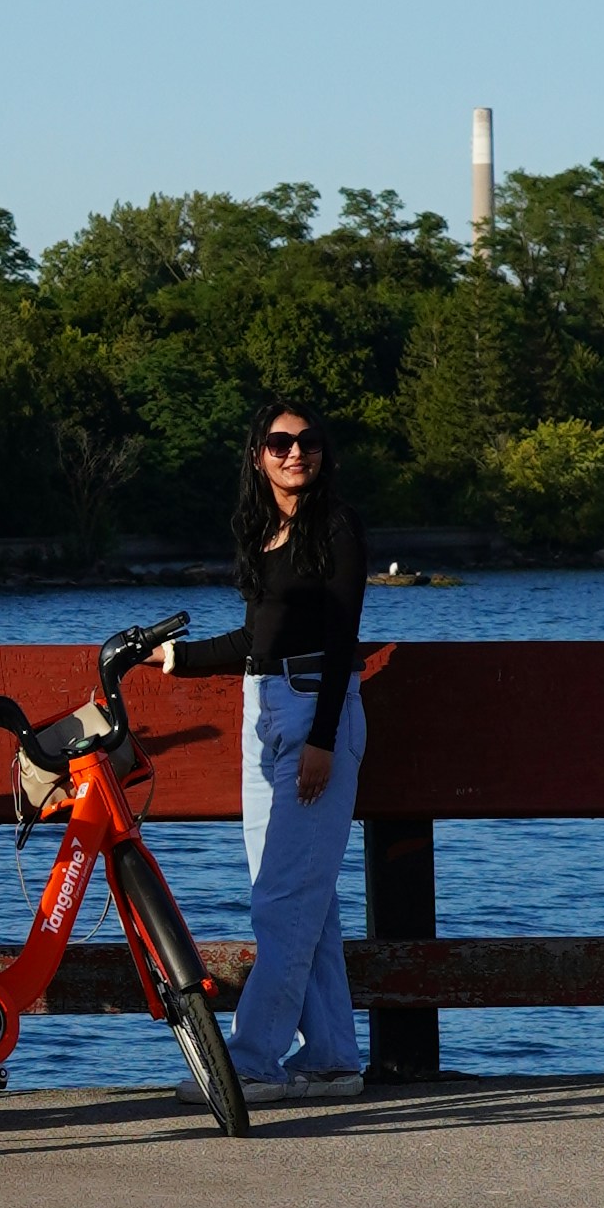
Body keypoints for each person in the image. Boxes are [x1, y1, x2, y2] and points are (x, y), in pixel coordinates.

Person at [158, 387, 369, 1094]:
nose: (296, 453)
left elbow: (342, 640)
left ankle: (251, 1063)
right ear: (258, 457)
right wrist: (180, 659)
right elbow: (258, 638)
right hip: (265, 708)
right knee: (301, 897)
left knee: (284, 899)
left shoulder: (336, 527)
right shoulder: (259, 532)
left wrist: (323, 738)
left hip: (317, 711)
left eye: (308, 442)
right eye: (281, 443)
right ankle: (334, 1055)